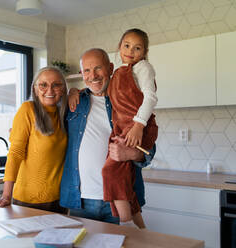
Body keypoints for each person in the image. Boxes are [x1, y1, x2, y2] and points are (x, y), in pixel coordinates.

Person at [59, 47, 156, 227]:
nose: (93, 75)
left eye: (98, 68)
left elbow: (150, 147)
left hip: (121, 199)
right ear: (82, 74)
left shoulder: (130, 101)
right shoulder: (75, 101)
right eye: (87, 70)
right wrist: (72, 90)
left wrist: (131, 154)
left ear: (110, 69)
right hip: (80, 200)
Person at [0, 66, 68, 213]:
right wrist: (6, 195)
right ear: (35, 89)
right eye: (43, 85)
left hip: (59, 200)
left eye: (56, 85)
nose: (50, 90)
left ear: (63, 89)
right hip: (29, 201)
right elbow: (15, 153)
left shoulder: (65, 114)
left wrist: (74, 93)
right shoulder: (27, 110)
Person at [102, 28, 158, 228]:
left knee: (111, 172)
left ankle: (127, 226)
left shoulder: (143, 67)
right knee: (126, 180)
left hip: (135, 130)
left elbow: (150, 97)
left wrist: (138, 126)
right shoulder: (119, 72)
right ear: (119, 46)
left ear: (144, 52)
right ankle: (140, 230)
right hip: (122, 130)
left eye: (137, 48)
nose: (131, 51)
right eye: (127, 45)